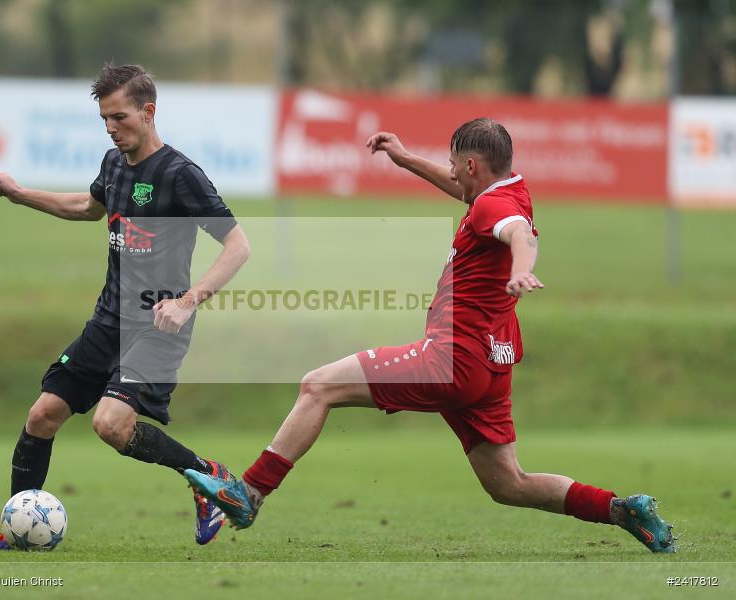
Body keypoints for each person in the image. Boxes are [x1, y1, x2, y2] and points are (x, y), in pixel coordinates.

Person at [186, 118, 676, 553]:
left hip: (452, 358)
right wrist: (404, 159)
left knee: (319, 386)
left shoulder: (494, 209)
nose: (451, 174)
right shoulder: (509, 188)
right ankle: (621, 510)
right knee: (508, 484)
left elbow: (517, 235)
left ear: (470, 165)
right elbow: (480, 199)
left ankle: (248, 495)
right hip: (491, 362)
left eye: (452, 165)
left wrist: (523, 269)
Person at [0, 64, 250, 550]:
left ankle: (206, 476)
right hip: (108, 320)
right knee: (42, 415)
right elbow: (85, 208)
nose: (111, 128)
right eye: (104, 120)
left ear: (148, 112)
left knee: (111, 425)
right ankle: (16, 534)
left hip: (156, 326)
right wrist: (20, 194)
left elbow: (238, 245)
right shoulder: (114, 165)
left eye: (120, 117)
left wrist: (188, 301)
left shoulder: (181, 175)